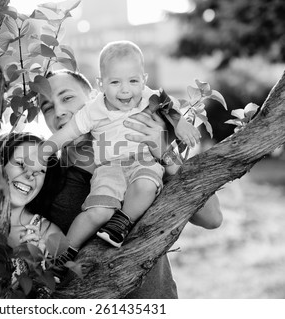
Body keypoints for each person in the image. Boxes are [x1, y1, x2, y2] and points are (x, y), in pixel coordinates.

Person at [38, 69, 223, 298]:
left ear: (97, 97)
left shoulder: (145, 148)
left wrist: (165, 152)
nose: (59, 112)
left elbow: (212, 218)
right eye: (47, 107)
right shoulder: (46, 177)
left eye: (67, 98)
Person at [32, 41, 201, 257]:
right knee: (100, 207)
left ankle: (121, 221)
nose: (124, 89)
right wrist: (41, 153)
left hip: (143, 159)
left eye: (67, 98)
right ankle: (63, 256)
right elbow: (65, 134)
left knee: (146, 183)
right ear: (101, 85)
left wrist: (176, 131)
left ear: (143, 81)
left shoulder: (150, 104)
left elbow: (212, 217)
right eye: (115, 82)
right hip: (109, 167)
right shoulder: (93, 112)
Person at [1, 133, 62, 293]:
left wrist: (36, 270)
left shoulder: (50, 235)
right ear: (0, 164)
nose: (30, 175)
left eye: (40, 171)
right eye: (21, 163)